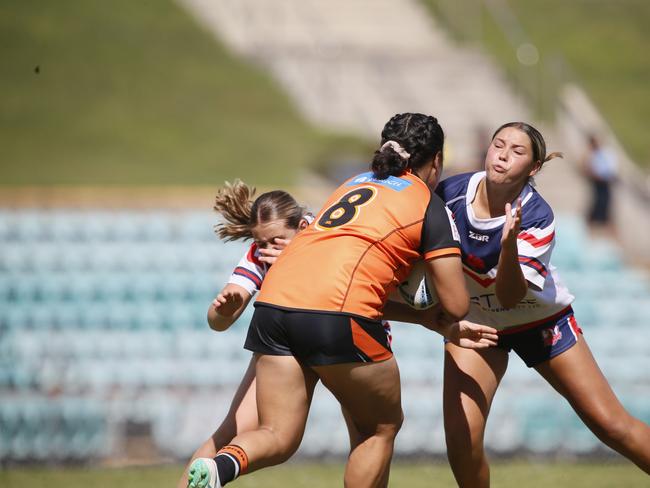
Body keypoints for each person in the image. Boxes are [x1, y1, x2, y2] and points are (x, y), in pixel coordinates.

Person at [187, 113, 498, 488]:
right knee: (380, 428)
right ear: (436, 162)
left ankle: (221, 467)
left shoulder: (350, 185)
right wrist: (425, 294)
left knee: (278, 435)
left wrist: (418, 314)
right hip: (339, 317)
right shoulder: (428, 204)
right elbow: (457, 304)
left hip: (274, 307)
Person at [435, 122, 650, 487]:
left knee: (611, 425)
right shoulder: (450, 193)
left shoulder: (536, 215)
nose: (502, 155)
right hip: (479, 325)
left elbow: (510, 296)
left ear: (533, 169)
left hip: (540, 321)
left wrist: (507, 246)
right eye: (498, 145)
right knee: (461, 440)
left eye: (517, 152)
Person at [176, 181, 312, 487]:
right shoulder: (259, 254)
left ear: (303, 226)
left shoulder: (329, 235)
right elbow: (217, 320)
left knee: (369, 430)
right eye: (260, 242)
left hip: (330, 335)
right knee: (233, 432)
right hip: (289, 345)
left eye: (277, 240)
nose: (266, 250)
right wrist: (224, 309)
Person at [581, 133, 618, 237]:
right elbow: (586, 169)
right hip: (597, 184)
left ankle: (610, 235)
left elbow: (610, 169)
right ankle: (588, 233)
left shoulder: (605, 153)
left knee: (605, 208)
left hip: (604, 183)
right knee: (596, 207)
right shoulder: (591, 155)